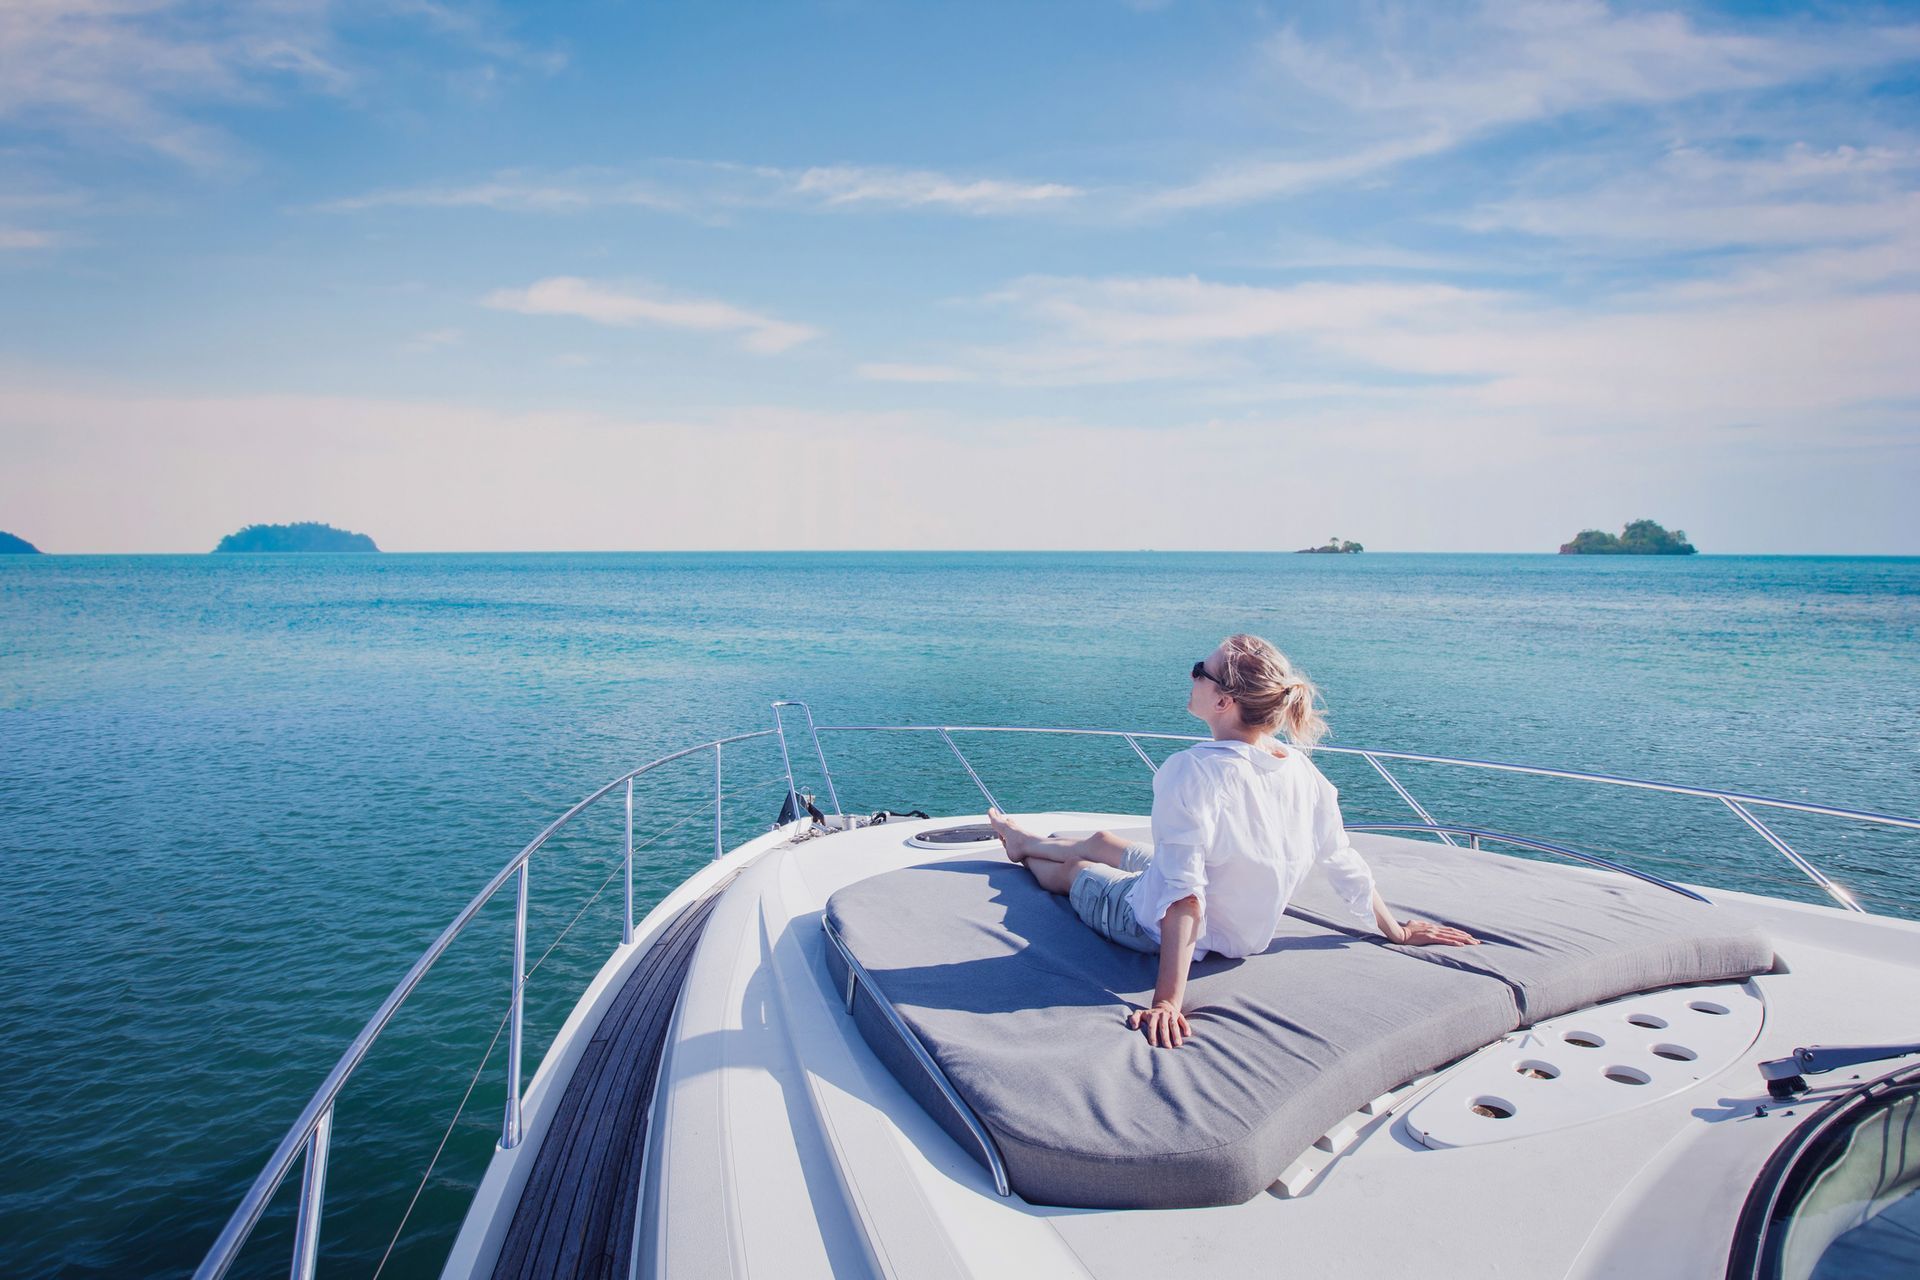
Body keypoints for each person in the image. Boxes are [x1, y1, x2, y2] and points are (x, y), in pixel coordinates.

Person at [988, 633, 1478, 1050]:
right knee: (1102, 840)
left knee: (1076, 875)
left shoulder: (1192, 772)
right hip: (1236, 923)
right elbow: (1341, 857)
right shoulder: (1300, 769)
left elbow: (1183, 896)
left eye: (1201, 670)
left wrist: (1166, 1001)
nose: (1193, 674)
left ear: (1224, 702)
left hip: (1149, 922)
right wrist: (1394, 930)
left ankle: (1023, 850)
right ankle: (1044, 839)